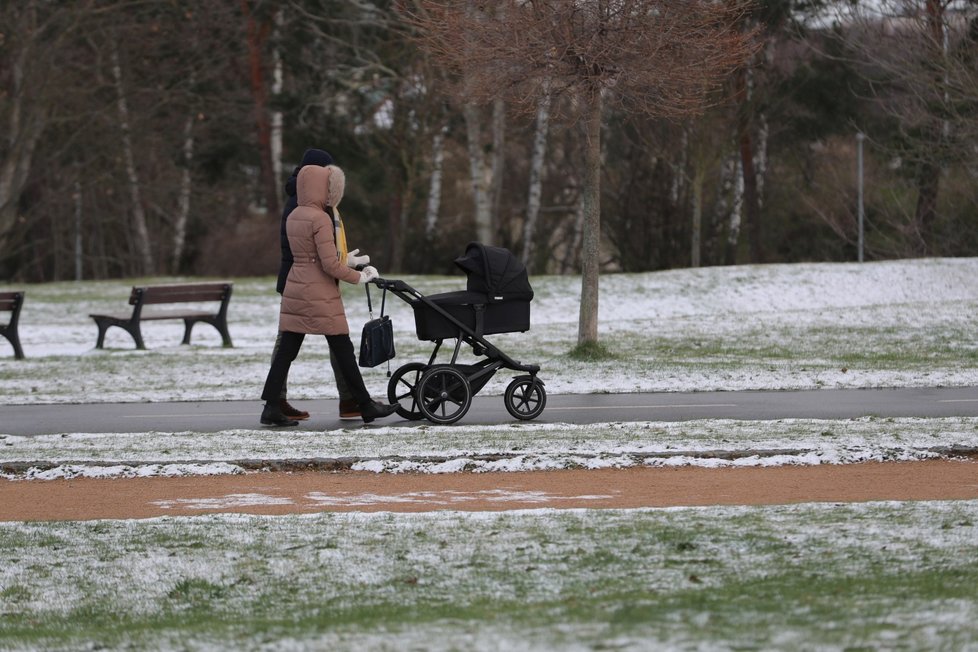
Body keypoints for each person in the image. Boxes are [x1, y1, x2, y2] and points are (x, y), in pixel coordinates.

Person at [260, 163, 399, 426]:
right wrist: (360, 276)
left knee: (287, 350)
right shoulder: (320, 218)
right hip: (319, 291)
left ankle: (270, 405)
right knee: (342, 347)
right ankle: (365, 405)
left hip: (296, 285)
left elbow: (310, 256)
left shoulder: (295, 215)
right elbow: (329, 264)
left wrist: (347, 261)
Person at [273, 148, 369, 421]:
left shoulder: (303, 201)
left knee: (328, 342)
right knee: (293, 344)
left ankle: (350, 399)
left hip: (302, 278)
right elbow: (308, 250)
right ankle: (276, 401)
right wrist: (347, 269)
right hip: (304, 281)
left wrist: (343, 259)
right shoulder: (305, 206)